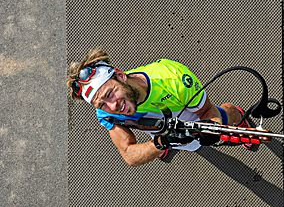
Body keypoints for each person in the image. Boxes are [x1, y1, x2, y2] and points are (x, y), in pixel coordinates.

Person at [67, 47, 252, 166]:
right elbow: (129, 154)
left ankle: (239, 118)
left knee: (225, 117)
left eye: (110, 93)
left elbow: (206, 111)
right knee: (192, 145)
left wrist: (213, 128)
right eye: (101, 103)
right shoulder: (106, 112)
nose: (113, 105)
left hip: (180, 106)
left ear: (120, 75)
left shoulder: (173, 78)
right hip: (158, 128)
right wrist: (161, 144)